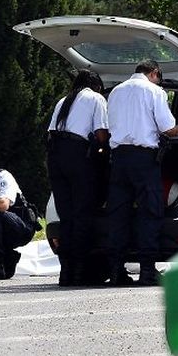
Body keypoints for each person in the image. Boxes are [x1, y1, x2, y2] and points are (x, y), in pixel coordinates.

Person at [106, 60, 178, 286]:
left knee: (118, 215)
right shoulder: (154, 91)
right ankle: (147, 272)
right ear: (154, 73)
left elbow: (110, 125)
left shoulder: (116, 91)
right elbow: (167, 127)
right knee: (150, 213)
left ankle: (116, 271)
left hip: (118, 159)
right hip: (144, 160)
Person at [47, 69, 109, 286]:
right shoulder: (96, 98)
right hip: (77, 155)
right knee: (83, 213)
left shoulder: (63, 101)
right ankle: (79, 272)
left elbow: (50, 132)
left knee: (67, 216)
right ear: (96, 86)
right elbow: (101, 134)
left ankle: (65, 272)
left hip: (55, 156)